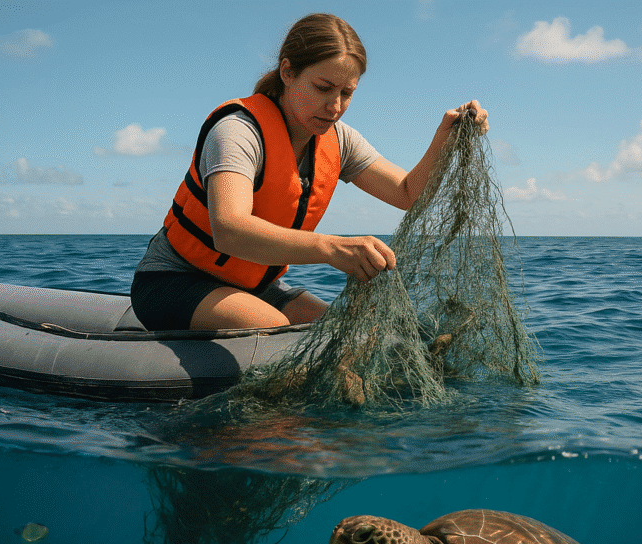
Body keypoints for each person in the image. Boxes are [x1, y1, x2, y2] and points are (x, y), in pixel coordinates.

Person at [130, 13, 488, 331]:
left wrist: (447, 137)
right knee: (274, 327)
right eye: (323, 88)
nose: (335, 106)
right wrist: (330, 248)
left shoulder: (340, 141)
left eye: (347, 93)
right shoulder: (238, 131)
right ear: (288, 72)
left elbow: (408, 193)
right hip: (174, 280)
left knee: (345, 333)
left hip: (254, 285)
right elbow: (230, 231)